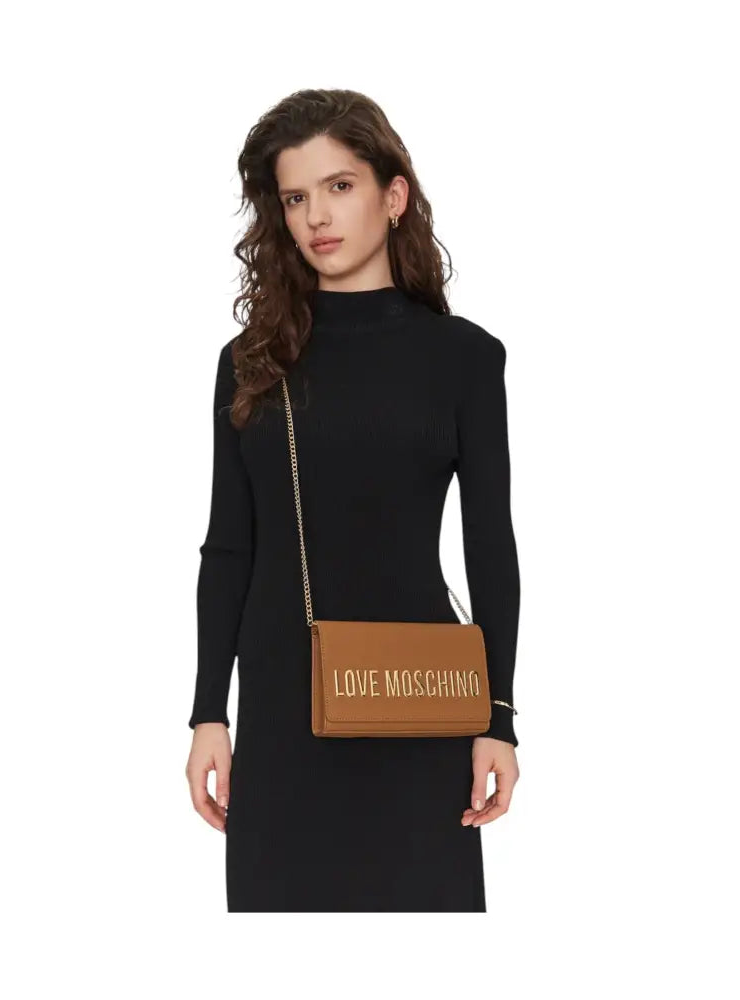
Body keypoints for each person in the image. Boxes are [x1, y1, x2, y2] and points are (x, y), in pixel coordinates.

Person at [185, 88, 521, 912]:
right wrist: (207, 713)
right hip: (282, 706)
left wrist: (500, 717)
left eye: (339, 186)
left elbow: (490, 546)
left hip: (423, 701)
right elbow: (230, 545)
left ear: (393, 195)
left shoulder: (465, 359)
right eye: (295, 197)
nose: (317, 217)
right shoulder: (251, 362)